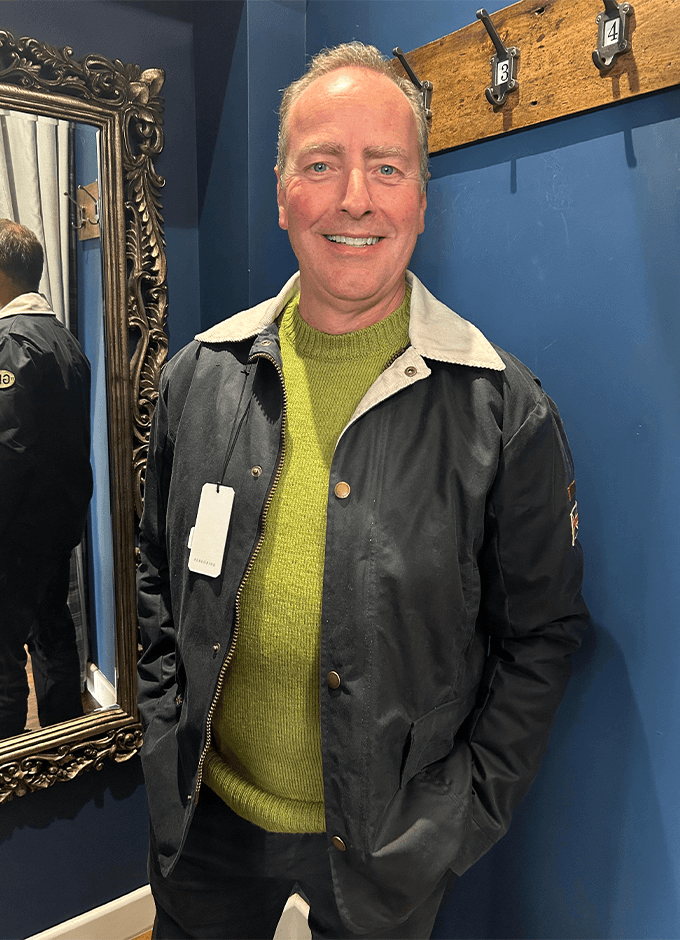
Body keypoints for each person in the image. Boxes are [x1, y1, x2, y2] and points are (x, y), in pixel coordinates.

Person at [138, 42, 589, 940]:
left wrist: (456, 818)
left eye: (386, 167)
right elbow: (157, 573)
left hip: (389, 847)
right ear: (281, 194)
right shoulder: (198, 377)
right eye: (320, 165)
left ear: (421, 198)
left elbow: (541, 637)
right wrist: (162, 736)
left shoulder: (503, 411)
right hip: (205, 823)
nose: (354, 198)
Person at [0, 219, 92, 738]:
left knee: (3, 661)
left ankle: (11, 768)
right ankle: (65, 750)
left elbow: (8, 453)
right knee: (54, 637)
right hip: (57, 528)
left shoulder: (12, 342)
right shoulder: (64, 340)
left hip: (15, 535)